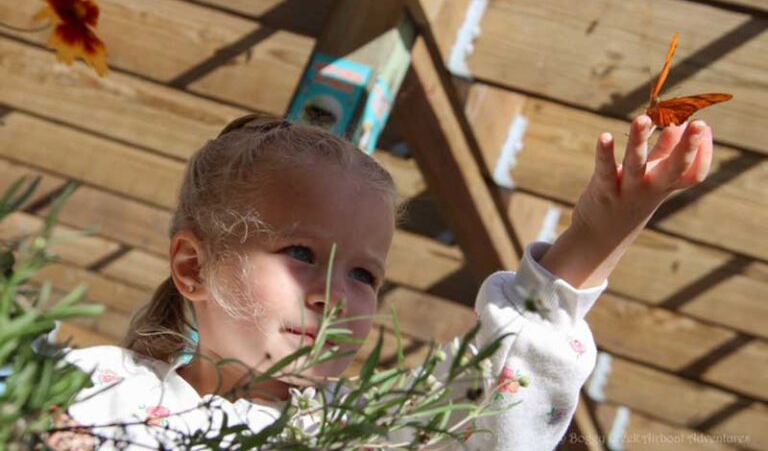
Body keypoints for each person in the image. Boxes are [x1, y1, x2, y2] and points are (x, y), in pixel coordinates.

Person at [54, 113, 713, 450]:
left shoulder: (365, 433)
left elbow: (491, 384)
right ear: (195, 267)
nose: (332, 295)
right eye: (302, 253)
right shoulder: (99, 388)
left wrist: (597, 234)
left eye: (364, 273)